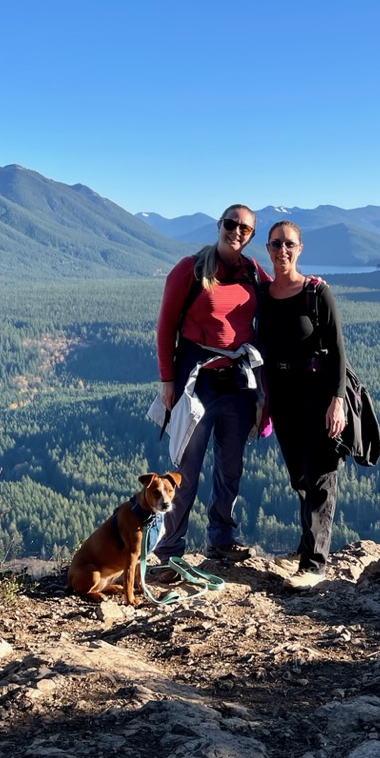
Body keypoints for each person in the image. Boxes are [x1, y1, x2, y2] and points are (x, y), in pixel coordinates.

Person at [151, 204, 268, 570]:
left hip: (237, 381)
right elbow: (166, 326)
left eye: (245, 229)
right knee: (186, 466)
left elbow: (279, 294)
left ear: (251, 236)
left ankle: (221, 539)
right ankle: (170, 548)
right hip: (195, 380)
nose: (237, 232)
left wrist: (311, 286)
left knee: (231, 465)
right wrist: (167, 380)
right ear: (219, 225)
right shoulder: (191, 269)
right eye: (231, 224)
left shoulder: (251, 272)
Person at [258, 220, 347, 590]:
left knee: (321, 474)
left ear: (300, 248)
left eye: (289, 244)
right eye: (276, 244)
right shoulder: (263, 294)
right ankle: (306, 546)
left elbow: (339, 349)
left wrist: (337, 400)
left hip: (317, 391)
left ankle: (314, 564)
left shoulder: (316, 292)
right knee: (299, 476)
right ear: (267, 249)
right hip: (281, 393)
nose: (283, 251)